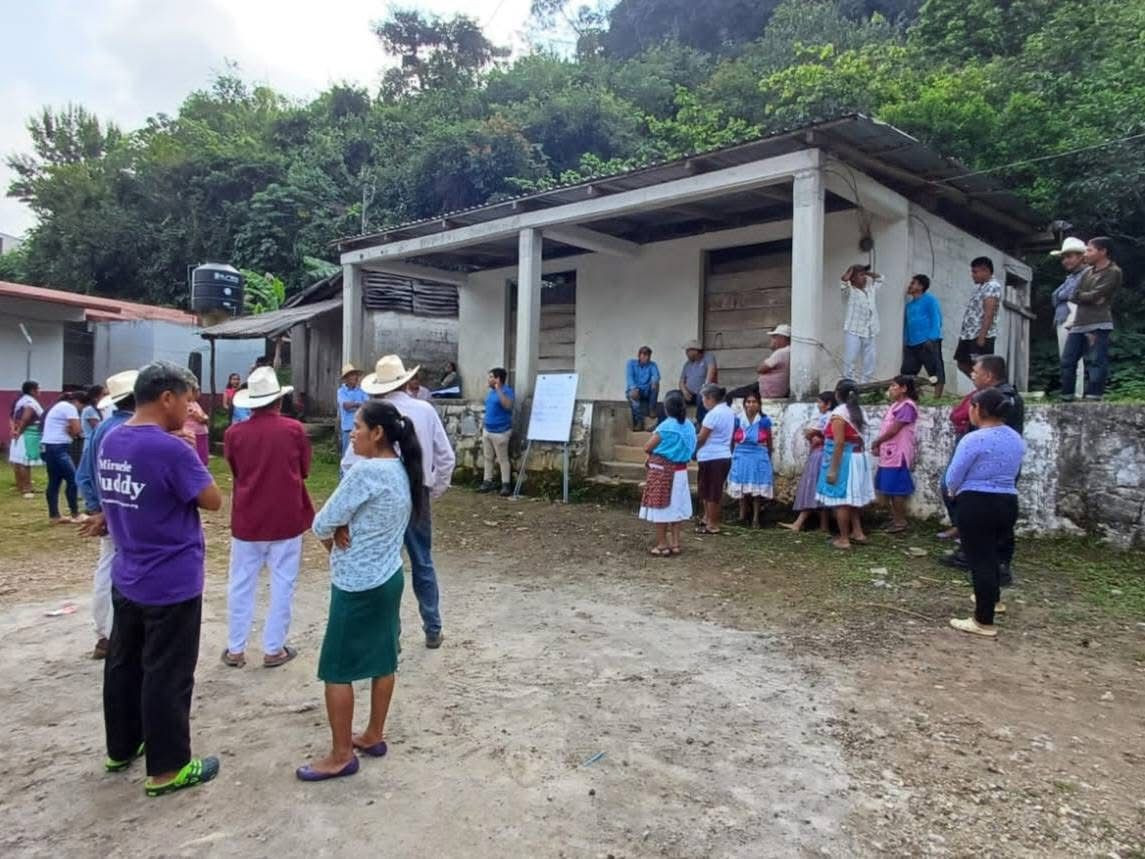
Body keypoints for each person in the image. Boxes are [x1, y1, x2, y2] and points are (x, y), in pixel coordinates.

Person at [96, 361, 223, 796]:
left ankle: (122, 746)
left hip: (128, 572)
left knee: (124, 665)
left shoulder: (111, 439)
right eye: (188, 399)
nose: (190, 408)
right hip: (171, 579)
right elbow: (213, 500)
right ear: (166, 397)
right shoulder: (171, 450)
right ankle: (168, 769)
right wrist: (192, 444)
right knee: (167, 673)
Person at [299, 401, 424, 782]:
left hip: (356, 585)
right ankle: (373, 734)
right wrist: (340, 528)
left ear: (377, 433)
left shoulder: (365, 472)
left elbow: (320, 523)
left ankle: (340, 755)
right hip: (388, 577)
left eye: (357, 426)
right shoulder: (402, 470)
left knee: (336, 669)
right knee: (384, 658)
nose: (351, 433)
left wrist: (334, 535)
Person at [221, 367, 313, 669]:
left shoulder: (234, 434)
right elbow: (304, 470)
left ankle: (235, 648)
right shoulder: (294, 430)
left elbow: (236, 471)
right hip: (286, 516)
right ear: (278, 400)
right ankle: (273, 648)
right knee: (283, 583)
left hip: (248, 518)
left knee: (241, 583)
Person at [362, 354, 456, 649]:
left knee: (386, 566)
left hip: (381, 495)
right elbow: (446, 457)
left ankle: (393, 634)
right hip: (418, 493)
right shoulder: (425, 410)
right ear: (405, 380)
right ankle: (432, 627)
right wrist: (433, 489)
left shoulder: (371, 414)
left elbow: (352, 462)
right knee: (422, 562)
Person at [945, 387, 1026, 638]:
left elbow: (954, 475)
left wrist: (951, 492)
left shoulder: (974, 439)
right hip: (1007, 501)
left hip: (977, 502)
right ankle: (994, 600)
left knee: (979, 559)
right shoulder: (1015, 438)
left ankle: (983, 620)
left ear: (978, 409)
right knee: (994, 554)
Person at [77, 370, 138, 660]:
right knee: (125, 570)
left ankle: (103, 633)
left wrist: (95, 506)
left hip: (107, 508)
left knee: (107, 567)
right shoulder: (130, 429)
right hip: (128, 512)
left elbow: (84, 472)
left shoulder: (103, 428)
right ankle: (117, 634)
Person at [938, 354, 1024, 551]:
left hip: (990, 465)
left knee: (985, 512)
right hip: (985, 463)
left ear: (988, 375)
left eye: (976, 372)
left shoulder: (1003, 398)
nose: (972, 375)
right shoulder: (989, 397)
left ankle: (975, 549)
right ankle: (967, 536)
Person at [816, 378, 875, 550]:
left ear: (837, 394)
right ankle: (857, 531)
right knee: (852, 498)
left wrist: (833, 469)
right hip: (858, 457)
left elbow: (839, 443)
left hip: (845, 459)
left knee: (841, 499)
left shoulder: (839, 414)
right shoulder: (857, 411)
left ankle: (843, 538)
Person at [1061, 237, 1122, 402]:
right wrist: (1088, 297)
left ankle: (1094, 395)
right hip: (1079, 321)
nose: (1086, 253)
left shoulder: (1113, 271)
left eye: (1090, 250)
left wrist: (1087, 296)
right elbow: (1074, 295)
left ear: (1103, 252)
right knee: (1068, 359)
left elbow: (1098, 295)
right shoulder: (1087, 271)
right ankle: (1066, 395)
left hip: (1098, 322)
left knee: (1096, 360)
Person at [639, 390, 696, 557]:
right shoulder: (689, 426)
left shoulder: (665, 427)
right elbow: (692, 448)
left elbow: (647, 447)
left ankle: (662, 544)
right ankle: (676, 543)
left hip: (662, 472)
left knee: (660, 507)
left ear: (667, 408)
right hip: (681, 471)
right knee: (677, 507)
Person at [780, 391, 836, 533]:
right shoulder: (831, 417)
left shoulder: (828, 417)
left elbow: (810, 433)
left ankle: (798, 523)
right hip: (824, 455)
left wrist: (813, 434)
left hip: (820, 456)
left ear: (828, 404)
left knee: (813, 488)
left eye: (820, 402)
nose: (818, 405)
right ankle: (823, 526)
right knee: (820, 490)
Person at [872, 376, 920, 534]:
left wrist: (877, 442)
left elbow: (894, 430)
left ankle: (900, 521)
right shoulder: (895, 406)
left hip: (898, 453)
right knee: (889, 488)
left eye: (893, 386)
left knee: (896, 489)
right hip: (890, 452)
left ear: (904, 388)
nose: (890, 389)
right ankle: (895, 518)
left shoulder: (907, 406)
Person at [726, 391, 774, 528]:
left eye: (754, 402)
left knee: (757, 489)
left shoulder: (764, 421)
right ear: (744, 404)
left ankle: (755, 519)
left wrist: (768, 457)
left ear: (759, 404)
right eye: (748, 402)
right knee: (741, 487)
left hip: (759, 455)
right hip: (741, 455)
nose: (751, 404)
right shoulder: (738, 420)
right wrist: (732, 455)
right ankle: (742, 516)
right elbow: (731, 440)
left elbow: (769, 442)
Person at [1050, 238, 1089, 398]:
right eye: (1064, 257)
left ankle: (1076, 393)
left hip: (1075, 318)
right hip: (1064, 319)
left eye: (1070, 256)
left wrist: (1061, 296)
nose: (1066, 260)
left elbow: (1070, 295)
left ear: (1081, 256)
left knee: (1073, 358)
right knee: (1067, 359)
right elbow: (1056, 297)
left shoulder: (1086, 274)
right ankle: (1071, 392)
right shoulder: (1071, 277)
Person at [694, 383, 734, 535]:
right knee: (711, 490)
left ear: (710, 398)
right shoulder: (728, 411)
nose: (703, 402)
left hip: (712, 456)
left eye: (704, 398)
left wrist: (692, 443)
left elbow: (702, 438)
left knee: (710, 492)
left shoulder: (713, 414)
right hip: (722, 454)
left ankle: (712, 523)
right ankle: (707, 518)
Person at [954, 257, 1002, 379]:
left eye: (975, 272)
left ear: (985, 270)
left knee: (981, 365)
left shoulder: (992, 286)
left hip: (980, 335)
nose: (972, 275)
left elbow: (989, 312)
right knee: (962, 363)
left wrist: (982, 336)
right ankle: (982, 387)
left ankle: (990, 388)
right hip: (968, 334)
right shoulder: (981, 287)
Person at [42, 390, 85, 524]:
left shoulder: (59, 406)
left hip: (50, 446)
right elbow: (78, 430)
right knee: (73, 479)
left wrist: (71, 431)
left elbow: (72, 430)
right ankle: (75, 513)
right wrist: (74, 432)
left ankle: (54, 515)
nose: (81, 410)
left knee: (54, 481)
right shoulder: (70, 407)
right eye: (82, 407)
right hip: (59, 447)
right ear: (78, 402)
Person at [900, 274, 945, 398]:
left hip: (928, 342)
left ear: (920, 286)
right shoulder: (909, 305)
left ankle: (936, 400)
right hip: (911, 344)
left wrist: (932, 338)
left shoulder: (930, 300)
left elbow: (936, 319)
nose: (909, 285)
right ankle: (918, 398)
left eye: (913, 283)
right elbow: (908, 325)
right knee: (907, 373)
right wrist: (906, 341)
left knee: (935, 373)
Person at [840, 265, 883, 383]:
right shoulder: (850, 292)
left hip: (870, 330)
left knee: (870, 360)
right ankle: (849, 385)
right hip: (853, 330)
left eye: (865, 275)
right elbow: (843, 284)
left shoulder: (870, 290)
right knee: (850, 360)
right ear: (852, 278)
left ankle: (865, 385)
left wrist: (868, 274)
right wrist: (848, 275)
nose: (864, 278)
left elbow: (880, 279)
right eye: (860, 275)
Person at [479, 367, 514, 496]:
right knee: (488, 457)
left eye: (490, 377)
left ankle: (506, 484)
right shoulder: (491, 393)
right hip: (488, 430)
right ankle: (487, 481)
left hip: (501, 432)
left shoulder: (507, 391)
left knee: (502, 459)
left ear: (498, 379)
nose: (488, 380)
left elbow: (507, 405)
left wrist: (499, 388)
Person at [8, 380, 44, 498]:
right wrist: (19, 431)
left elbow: (12, 417)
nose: (40, 391)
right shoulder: (30, 402)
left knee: (18, 460)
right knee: (24, 462)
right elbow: (25, 419)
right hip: (26, 434)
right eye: (38, 389)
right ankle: (26, 488)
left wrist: (14, 430)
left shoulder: (20, 400)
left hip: (19, 433)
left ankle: (21, 486)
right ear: (32, 390)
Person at [679, 341, 717, 423]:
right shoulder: (687, 364)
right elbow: (681, 381)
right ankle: (667, 423)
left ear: (695, 351)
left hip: (703, 392)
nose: (686, 353)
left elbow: (711, 371)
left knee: (702, 395)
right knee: (672, 395)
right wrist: (684, 391)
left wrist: (705, 387)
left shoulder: (708, 357)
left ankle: (700, 423)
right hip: (689, 394)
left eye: (687, 351)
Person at [625, 346, 661, 431]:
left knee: (656, 384)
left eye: (648, 355)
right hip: (635, 389)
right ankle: (639, 421)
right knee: (633, 394)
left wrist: (654, 381)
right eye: (644, 355)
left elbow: (656, 376)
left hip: (646, 391)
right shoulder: (631, 363)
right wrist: (634, 388)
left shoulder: (652, 365)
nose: (646, 357)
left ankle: (652, 410)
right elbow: (629, 378)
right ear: (639, 355)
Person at [336, 364, 368, 455]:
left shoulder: (362, 390)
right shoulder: (341, 391)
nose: (356, 377)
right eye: (353, 375)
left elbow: (367, 405)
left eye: (356, 375)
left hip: (361, 426)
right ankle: (343, 470)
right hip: (348, 428)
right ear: (346, 378)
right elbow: (346, 406)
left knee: (360, 453)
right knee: (346, 454)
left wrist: (354, 404)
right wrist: (359, 403)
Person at [757, 325, 792, 399]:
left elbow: (760, 369)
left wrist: (773, 348)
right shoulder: (787, 351)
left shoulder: (781, 352)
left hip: (772, 392)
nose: (772, 340)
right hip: (773, 390)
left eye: (774, 337)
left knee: (733, 394)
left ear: (782, 338)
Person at [182, 394, 210, 467]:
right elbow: (201, 418)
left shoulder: (195, 403)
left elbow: (204, 415)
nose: (198, 393)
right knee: (196, 457)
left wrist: (205, 418)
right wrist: (204, 418)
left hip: (202, 432)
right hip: (193, 433)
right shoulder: (187, 405)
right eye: (197, 391)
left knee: (203, 457)